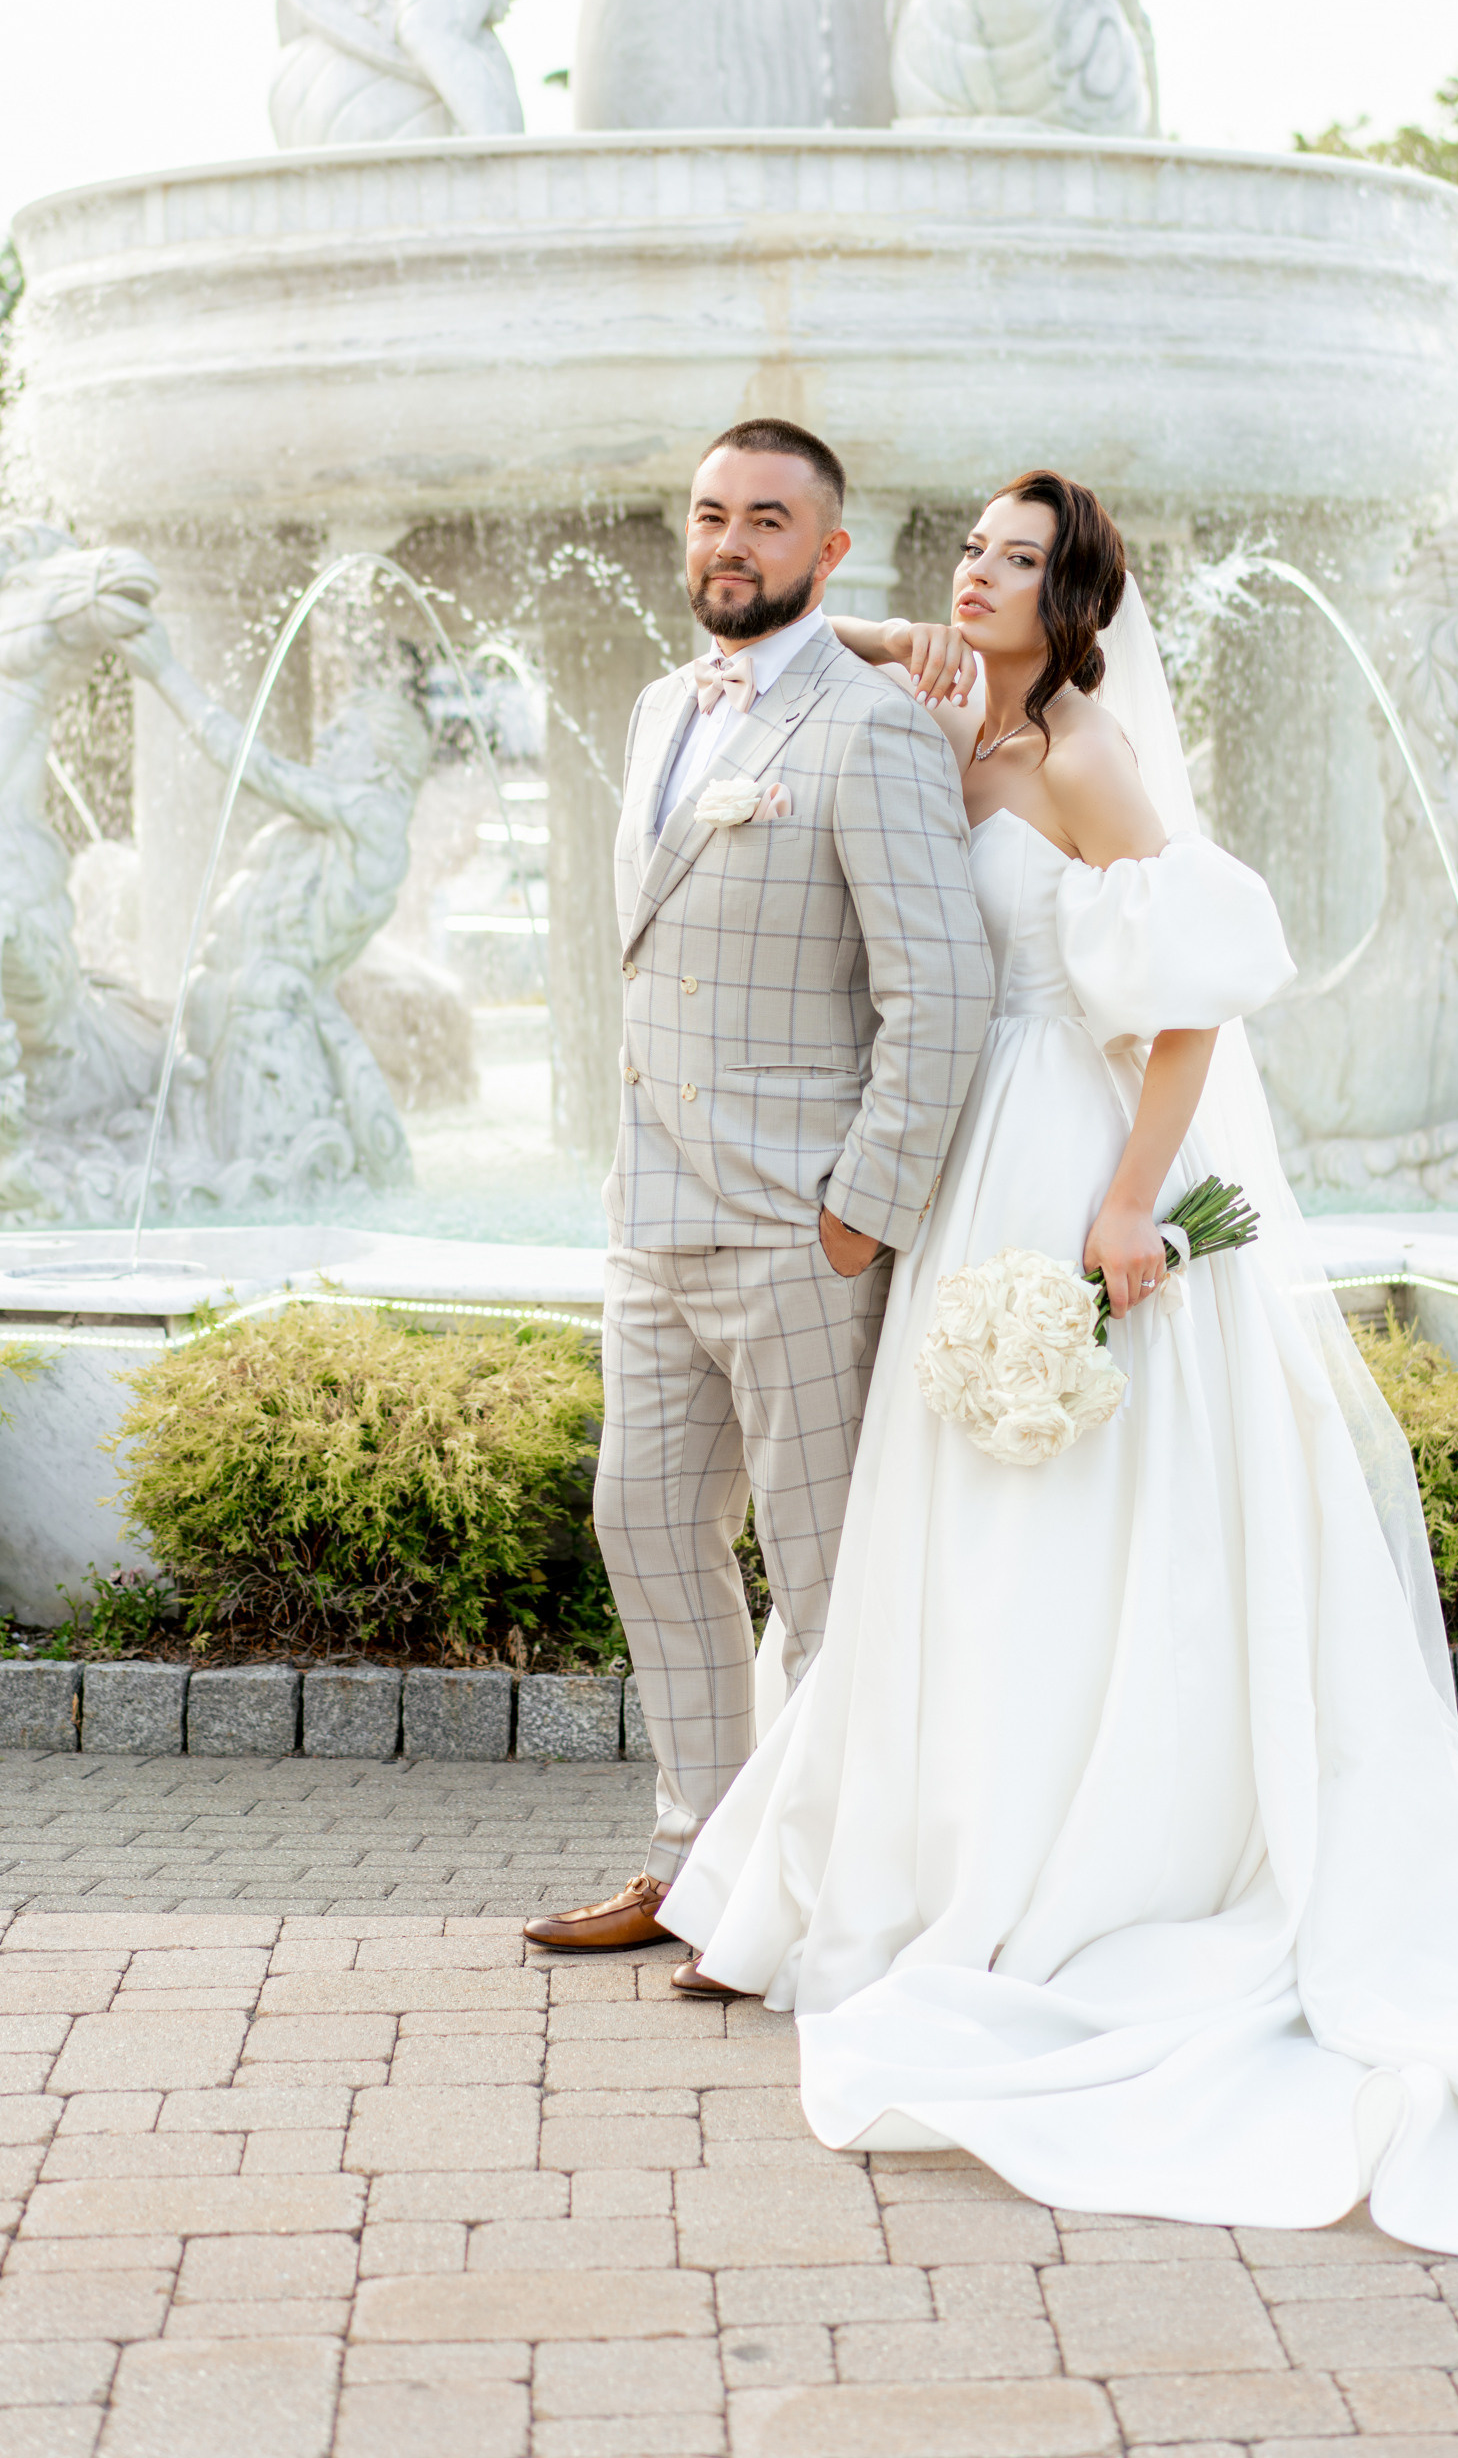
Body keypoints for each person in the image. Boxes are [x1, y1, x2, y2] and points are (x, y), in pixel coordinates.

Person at [659, 468, 1458, 2254]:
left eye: (1019, 560)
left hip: (1078, 1153)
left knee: (1088, 1503)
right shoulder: (958, 704)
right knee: (965, 1509)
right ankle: (956, 1844)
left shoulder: (1093, 753)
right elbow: (872, 632)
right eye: (969, 548)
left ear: (1081, 592)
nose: (976, 576)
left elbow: (1195, 997)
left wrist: (1128, 1205)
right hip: (977, 1160)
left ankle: (1102, 1864)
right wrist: (870, 617)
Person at [525, 419, 994, 1956]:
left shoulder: (875, 732)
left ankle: (839, 1897)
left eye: (769, 521)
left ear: (829, 548)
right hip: (650, 1216)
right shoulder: (666, 702)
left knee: (829, 1570)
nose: (731, 542)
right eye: (713, 514)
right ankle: (703, 1868)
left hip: (804, 1228)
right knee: (643, 1524)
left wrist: (862, 1208)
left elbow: (943, 987)